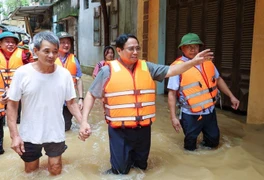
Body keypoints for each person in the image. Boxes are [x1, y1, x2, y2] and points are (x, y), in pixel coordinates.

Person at [81, 34, 213, 174]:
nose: (135, 52)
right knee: (120, 172)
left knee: (141, 168)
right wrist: (84, 121)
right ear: (119, 51)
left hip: (143, 130)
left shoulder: (147, 67)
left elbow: (172, 70)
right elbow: (91, 94)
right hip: (120, 131)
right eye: (131, 49)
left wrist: (193, 62)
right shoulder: (107, 70)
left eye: (137, 48)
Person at [6, 31, 91, 175]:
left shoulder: (64, 75)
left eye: (55, 52)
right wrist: (15, 135)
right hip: (30, 133)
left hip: (55, 131)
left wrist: (83, 122)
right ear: (36, 51)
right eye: (46, 51)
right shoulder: (22, 73)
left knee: (56, 168)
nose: (51, 56)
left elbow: (71, 102)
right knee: (31, 171)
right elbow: (12, 105)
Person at [167, 33, 240, 151]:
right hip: (190, 114)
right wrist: (173, 117)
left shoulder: (207, 62)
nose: (193, 49)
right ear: (182, 48)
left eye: (196, 46)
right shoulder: (177, 67)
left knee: (213, 141)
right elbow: (172, 93)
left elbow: (218, 79)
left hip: (209, 112)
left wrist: (232, 96)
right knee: (190, 146)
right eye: (189, 46)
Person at [0, 31, 33, 155]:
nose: (10, 44)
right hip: (0, 96)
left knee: (17, 121)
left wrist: (29, 54)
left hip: (17, 95)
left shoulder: (23, 54)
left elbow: (32, 70)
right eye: (7, 42)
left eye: (13, 42)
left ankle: (19, 142)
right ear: (1, 43)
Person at [55, 31, 84, 131]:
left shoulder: (74, 59)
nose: (66, 45)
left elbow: (79, 79)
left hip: (69, 100)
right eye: (62, 42)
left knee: (66, 127)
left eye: (68, 42)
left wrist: (81, 98)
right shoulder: (50, 58)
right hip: (53, 100)